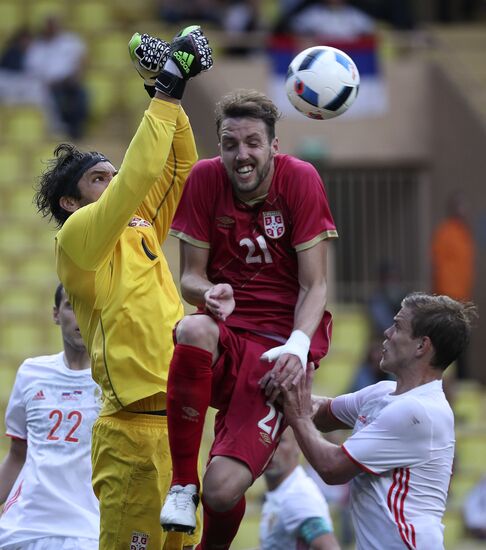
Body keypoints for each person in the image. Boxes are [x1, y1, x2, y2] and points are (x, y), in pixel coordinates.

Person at [33, 26, 213, 550]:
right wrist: (167, 91)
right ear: (71, 201)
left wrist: (166, 93)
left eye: (113, 175)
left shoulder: (140, 227)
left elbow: (180, 165)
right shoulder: (78, 237)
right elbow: (138, 177)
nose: (112, 184)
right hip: (129, 433)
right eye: (98, 179)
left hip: (178, 430)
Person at [161, 88, 337, 549]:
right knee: (193, 326)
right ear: (219, 145)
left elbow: (314, 285)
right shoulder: (203, 179)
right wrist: (209, 292)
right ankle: (182, 486)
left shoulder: (300, 179)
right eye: (230, 143)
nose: (242, 154)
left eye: (253, 142)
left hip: (279, 350)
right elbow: (190, 279)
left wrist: (298, 348)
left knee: (222, 491)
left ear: (273, 146)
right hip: (227, 335)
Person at [279, 292, 477, 550]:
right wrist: (283, 388)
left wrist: (297, 415)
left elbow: (332, 467)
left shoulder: (417, 411)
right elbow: (324, 413)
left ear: (422, 346)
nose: (386, 332)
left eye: (397, 326)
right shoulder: (383, 393)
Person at [0, 283, 100, 550]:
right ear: (56, 314)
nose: (81, 316)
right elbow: (17, 455)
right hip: (24, 529)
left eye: (89, 308)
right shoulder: (31, 373)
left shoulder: (115, 383)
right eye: (71, 306)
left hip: (90, 531)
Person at [260, 427, 340, 549]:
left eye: (281, 440)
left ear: (298, 445)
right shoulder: (283, 491)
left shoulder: (297, 496)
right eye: (265, 439)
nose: (272, 448)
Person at [431, 190, 475, 380]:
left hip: (463, 297)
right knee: (451, 338)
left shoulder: (464, 234)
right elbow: (437, 265)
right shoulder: (445, 233)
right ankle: (452, 378)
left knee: (463, 338)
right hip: (449, 296)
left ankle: (463, 377)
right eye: (460, 206)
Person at [24, 15, 89, 138]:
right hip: (48, 86)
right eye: (49, 25)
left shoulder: (70, 41)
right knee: (55, 100)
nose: (52, 28)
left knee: (83, 95)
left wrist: (76, 76)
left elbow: (82, 59)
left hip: (70, 81)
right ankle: (62, 130)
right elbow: (32, 71)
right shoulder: (37, 47)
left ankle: (78, 130)